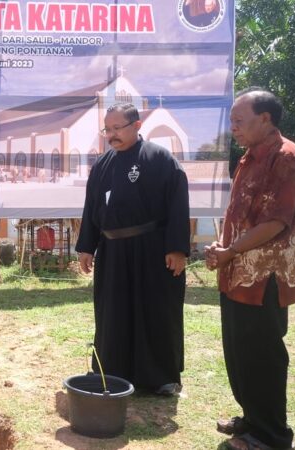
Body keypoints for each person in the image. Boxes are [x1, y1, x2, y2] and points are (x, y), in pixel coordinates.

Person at [205, 89, 295, 450]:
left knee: (263, 356)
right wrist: (222, 247)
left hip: (266, 278)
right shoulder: (248, 158)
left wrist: (230, 250)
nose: (233, 128)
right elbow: (237, 214)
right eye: (232, 121)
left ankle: (271, 436)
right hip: (236, 275)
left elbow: (276, 222)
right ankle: (251, 419)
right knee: (239, 351)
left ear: (265, 119)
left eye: (239, 120)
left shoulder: (287, 158)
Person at [75, 102, 190, 396]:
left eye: (117, 128)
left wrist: (177, 249)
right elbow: (92, 208)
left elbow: (177, 205)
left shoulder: (160, 159)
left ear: (137, 126)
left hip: (152, 250)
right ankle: (112, 372)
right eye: (107, 129)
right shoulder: (103, 164)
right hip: (112, 252)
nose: (111, 135)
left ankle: (162, 376)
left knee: (156, 311)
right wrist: (86, 246)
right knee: (112, 313)